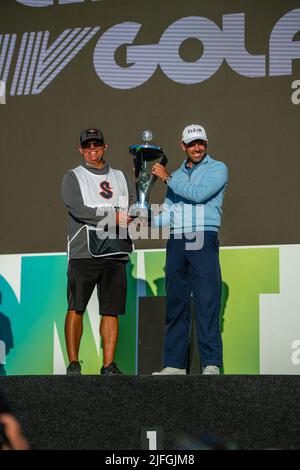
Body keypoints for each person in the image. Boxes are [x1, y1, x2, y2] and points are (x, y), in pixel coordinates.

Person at [151, 124, 228, 375]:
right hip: (176, 239)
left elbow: (199, 195)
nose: (197, 148)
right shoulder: (176, 174)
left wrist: (168, 179)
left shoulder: (217, 168)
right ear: (182, 146)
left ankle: (211, 363)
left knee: (206, 302)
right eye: (192, 143)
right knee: (176, 303)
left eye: (201, 143)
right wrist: (143, 216)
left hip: (203, 237)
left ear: (206, 143)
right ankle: (174, 364)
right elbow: (168, 215)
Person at [61, 128, 134, 375]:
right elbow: (78, 209)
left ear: (105, 146)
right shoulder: (73, 176)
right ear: (81, 150)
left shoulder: (121, 176)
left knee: (111, 310)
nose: (93, 150)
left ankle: (108, 365)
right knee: (76, 307)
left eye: (97, 145)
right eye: (88, 146)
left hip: (115, 250)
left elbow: (131, 207)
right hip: (85, 251)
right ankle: (73, 363)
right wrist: (113, 217)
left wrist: (136, 216)